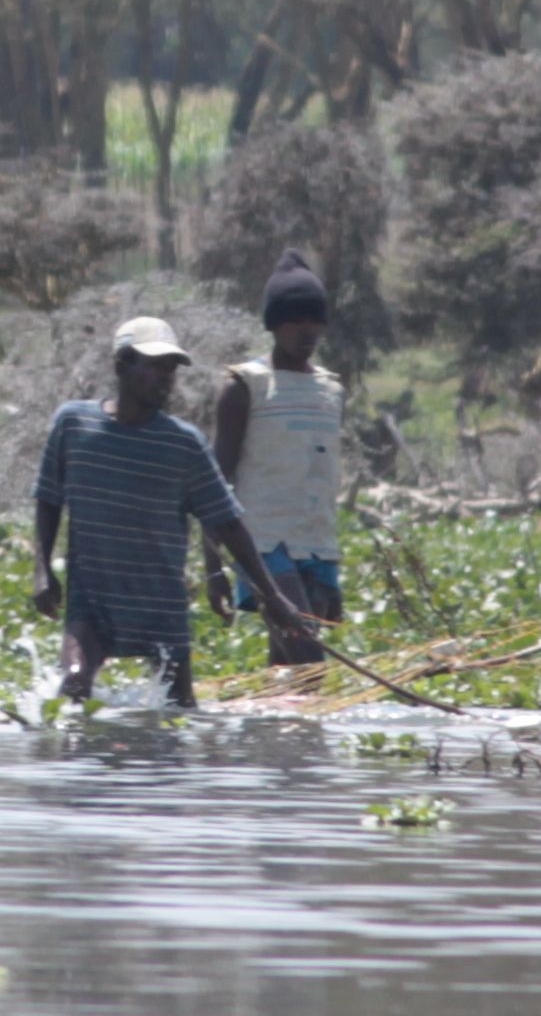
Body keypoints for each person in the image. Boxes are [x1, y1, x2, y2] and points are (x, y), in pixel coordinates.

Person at [32, 315, 282, 706]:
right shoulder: (74, 425)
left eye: (171, 369)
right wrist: (42, 569)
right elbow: (49, 499)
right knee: (75, 686)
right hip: (93, 602)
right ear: (121, 365)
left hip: (161, 608)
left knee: (180, 711)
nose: (166, 378)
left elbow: (228, 524)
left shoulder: (184, 445)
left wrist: (274, 598)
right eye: (155, 367)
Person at [212, 252, 347, 666]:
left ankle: (271, 729)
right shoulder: (244, 387)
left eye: (314, 319)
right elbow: (215, 482)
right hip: (264, 545)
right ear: (273, 324)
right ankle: (297, 730)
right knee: (308, 656)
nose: (306, 329)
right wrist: (213, 565)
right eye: (294, 319)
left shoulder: (330, 390)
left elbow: (321, 476)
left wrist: (332, 568)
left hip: (317, 544)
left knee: (288, 666)